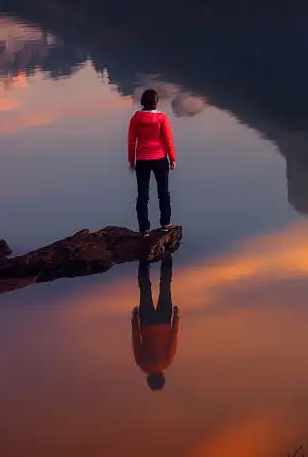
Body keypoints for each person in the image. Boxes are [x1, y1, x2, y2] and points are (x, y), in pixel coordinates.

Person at [128, 88, 176, 232]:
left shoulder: (136, 118)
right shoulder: (162, 118)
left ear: (143, 102)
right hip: (160, 158)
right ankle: (166, 223)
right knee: (164, 193)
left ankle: (144, 229)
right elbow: (168, 141)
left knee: (143, 195)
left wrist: (131, 160)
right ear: (156, 102)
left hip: (142, 159)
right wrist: (172, 158)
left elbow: (131, 141)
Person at [132, 255, 179, 391]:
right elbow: (136, 339)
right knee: (144, 287)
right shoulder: (142, 364)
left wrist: (177, 317)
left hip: (164, 320)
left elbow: (173, 339)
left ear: (162, 377)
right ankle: (144, 258)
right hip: (146, 321)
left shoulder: (166, 363)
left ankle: (167, 253)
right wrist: (134, 318)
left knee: (165, 285)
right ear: (149, 379)